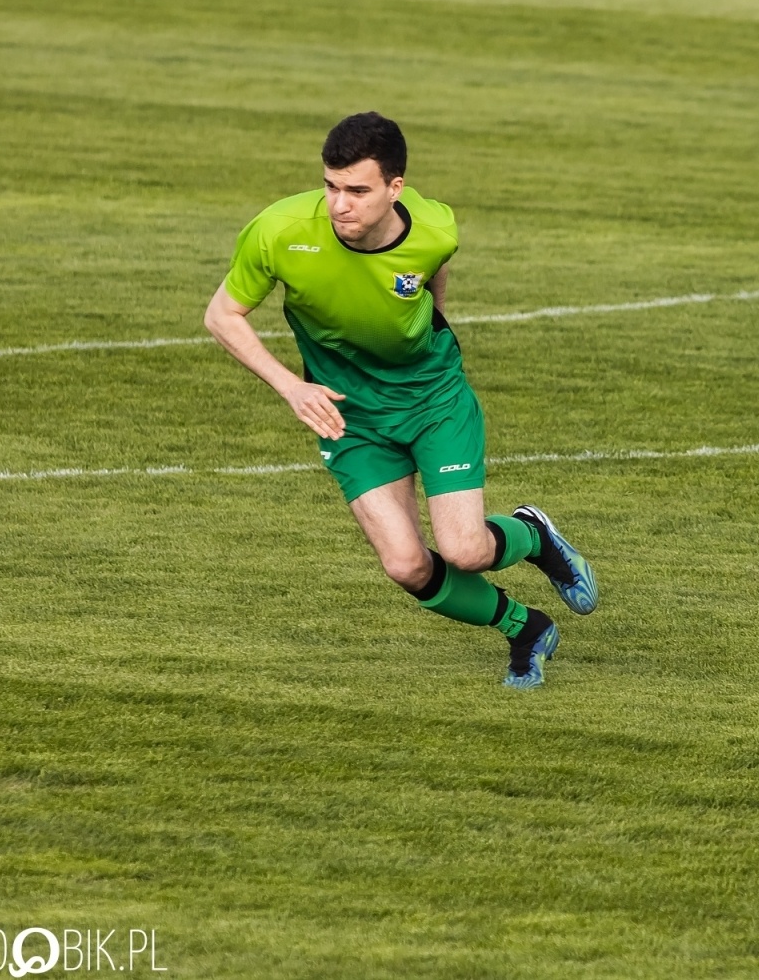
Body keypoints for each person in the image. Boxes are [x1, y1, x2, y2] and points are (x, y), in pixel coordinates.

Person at [204, 112, 596, 689]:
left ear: (394, 188)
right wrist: (292, 385)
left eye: (358, 191)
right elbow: (222, 315)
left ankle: (532, 534)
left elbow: (434, 269)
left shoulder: (436, 228)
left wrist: (430, 323)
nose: (340, 205)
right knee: (407, 565)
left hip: (432, 400)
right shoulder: (279, 231)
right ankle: (527, 628)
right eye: (331, 186)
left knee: (463, 549)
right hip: (351, 416)